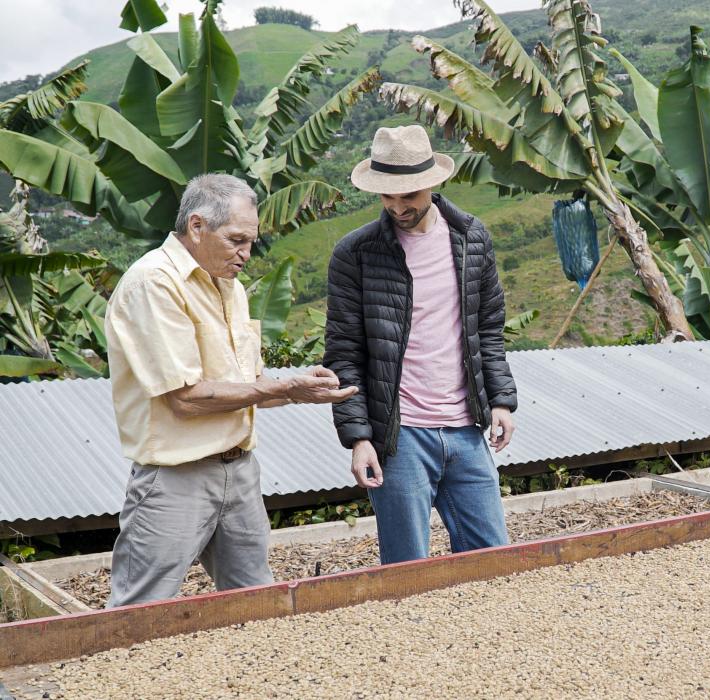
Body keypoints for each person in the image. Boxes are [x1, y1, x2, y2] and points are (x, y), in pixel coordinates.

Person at [104, 173, 355, 607]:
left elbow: (245, 386)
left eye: (251, 241)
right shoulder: (154, 284)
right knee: (139, 608)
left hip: (238, 470)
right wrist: (286, 387)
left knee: (255, 599)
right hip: (175, 478)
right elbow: (186, 397)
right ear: (197, 226)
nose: (246, 253)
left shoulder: (229, 287)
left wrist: (298, 390)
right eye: (236, 239)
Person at [324, 124, 518, 564]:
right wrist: (358, 438)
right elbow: (344, 353)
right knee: (407, 571)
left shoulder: (471, 238)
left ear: (432, 183)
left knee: (494, 563)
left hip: (467, 429)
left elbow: (488, 328)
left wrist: (502, 400)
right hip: (400, 437)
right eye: (386, 196)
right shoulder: (355, 254)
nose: (396, 207)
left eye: (407, 196)